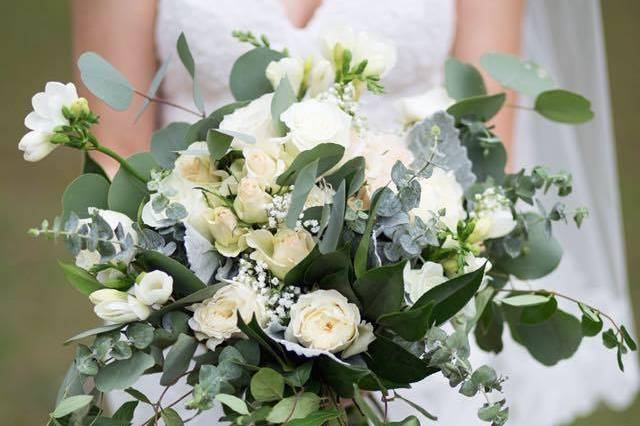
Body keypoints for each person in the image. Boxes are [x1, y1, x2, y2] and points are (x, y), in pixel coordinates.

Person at [71, 1, 638, 424]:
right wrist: (248, 333)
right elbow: (121, 162)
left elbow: (483, 146)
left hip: (414, 327)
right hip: (207, 334)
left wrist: (370, 339)